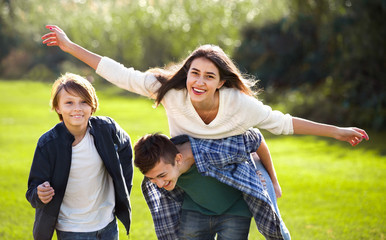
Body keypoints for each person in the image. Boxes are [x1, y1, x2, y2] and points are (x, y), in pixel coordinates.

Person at [41, 25, 369, 198]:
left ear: (221, 82)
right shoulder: (170, 90)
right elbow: (118, 72)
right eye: (194, 73)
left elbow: (283, 124)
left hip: (234, 165)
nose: (199, 81)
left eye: (209, 76)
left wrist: (338, 132)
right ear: (187, 73)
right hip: (188, 169)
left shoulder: (239, 104)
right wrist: (69, 46)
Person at [26, 73, 133, 240]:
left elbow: (126, 148)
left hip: (108, 225)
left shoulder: (107, 129)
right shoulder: (48, 144)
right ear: (58, 108)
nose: (77, 108)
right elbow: (32, 191)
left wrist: (123, 188)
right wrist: (40, 194)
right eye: (69, 103)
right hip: (72, 230)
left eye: (84, 101)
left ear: (93, 105)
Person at [134, 129, 289, 240]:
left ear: (179, 159)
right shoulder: (162, 166)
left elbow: (256, 138)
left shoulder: (214, 150)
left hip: (235, 210)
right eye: (152, 179)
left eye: (162, 176)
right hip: (195, 209)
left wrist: (273, 182)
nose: (159, 184)